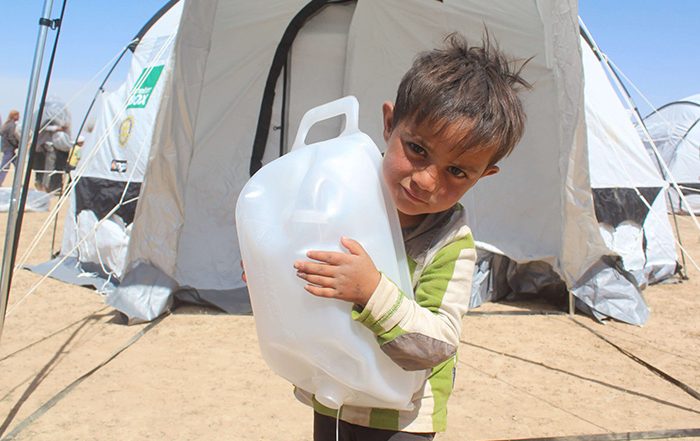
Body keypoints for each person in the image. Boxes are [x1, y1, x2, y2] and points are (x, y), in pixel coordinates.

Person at [290, 33, 531, 440]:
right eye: (418, 149)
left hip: (400, 417)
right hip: (333, 393)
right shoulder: (341, 199)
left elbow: (437, 344)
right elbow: (306, 262)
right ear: (389, 124)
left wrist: (370, 290)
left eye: (457, 172)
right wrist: (278, 266)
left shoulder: (451, 244)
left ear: (483, 175)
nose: (425, 180)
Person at [42, 123, 73, 193]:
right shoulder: (58, 134)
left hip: (58, 156)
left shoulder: (62, 135)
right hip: (53, 153)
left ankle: (54, 188)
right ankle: (47, 186)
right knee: (50, 171)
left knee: (56, 172)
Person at [0, 110, 20, 186]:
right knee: (5, 167)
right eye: (17, 115)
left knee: (18, 165)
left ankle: (17, 183)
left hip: (7, 148)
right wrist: (17, 145)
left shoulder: (7, 124)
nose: (19, 117)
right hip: (10, 149)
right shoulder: (11, 125)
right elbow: (11, 137)